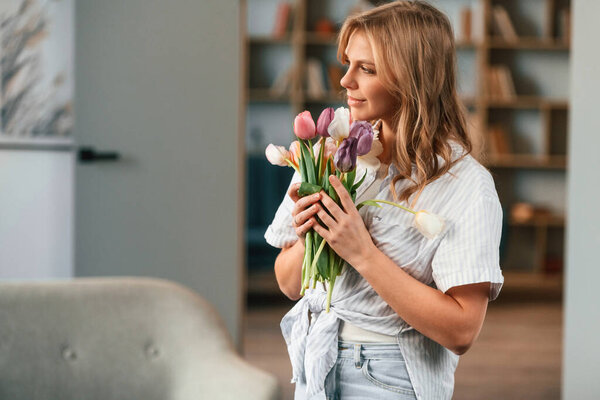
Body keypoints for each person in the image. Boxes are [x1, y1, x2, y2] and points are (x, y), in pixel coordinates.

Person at [264, 1, 504, 399]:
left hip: (389, 376)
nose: (345, 81)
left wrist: (362, 253)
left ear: (414, 78)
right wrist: (311, 235)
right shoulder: (329, 152)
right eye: (348, 64)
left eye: (367, 69)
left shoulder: (466, 185)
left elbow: (462, 331)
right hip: (314, 362)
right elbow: (289, 284)